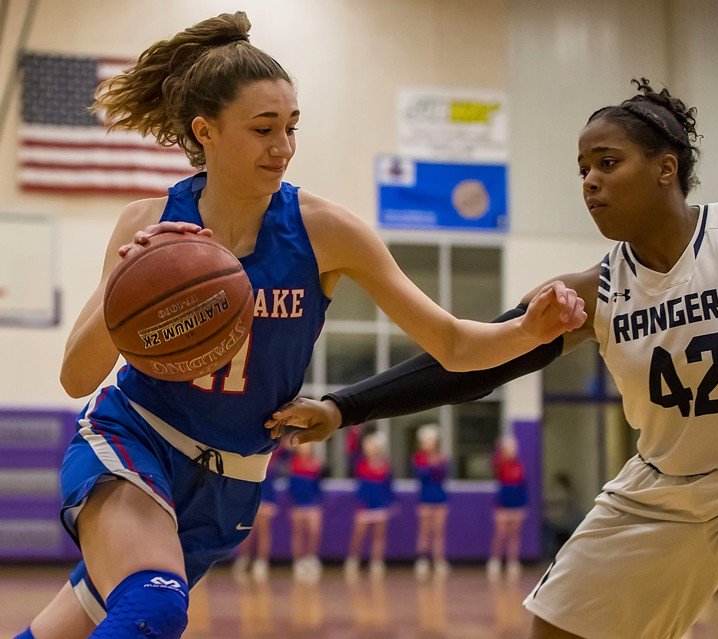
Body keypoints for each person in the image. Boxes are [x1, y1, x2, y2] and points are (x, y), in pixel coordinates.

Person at [15, 11, 586, 639]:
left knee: (77, 626)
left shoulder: (324, 231)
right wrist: (129, 281)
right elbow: (76, 376)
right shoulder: (147, 222)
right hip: (133, 440)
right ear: (205, 132)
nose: (283, 146)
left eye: (291, 128)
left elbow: (450, 343)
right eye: (263, 129)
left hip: (230, 483)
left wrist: (531, 331)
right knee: (153, 606)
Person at [268, 77, 718, 639]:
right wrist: (342, 406)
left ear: (665, 168)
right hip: (663, 490)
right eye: (582, 170)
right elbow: (471, 364)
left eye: (608, 162)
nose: (590, 182)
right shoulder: (592, 292)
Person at [344, 431, 395, 580]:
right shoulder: (359, 463)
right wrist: (354, 433)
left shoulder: (385, 466)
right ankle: (353, 560)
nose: (371, 448)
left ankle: (377, 562)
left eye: (373, 445)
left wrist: (389, 504)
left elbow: (389, 487)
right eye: (368, 445)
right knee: (358, 535)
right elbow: (350, 452)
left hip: (380, 505)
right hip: (364, 506)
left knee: (379, 536)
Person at [487, 434, 527, 581]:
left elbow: (523, 486)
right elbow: (494, 463)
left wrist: (523, 506)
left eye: (514, 447)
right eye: (509, 447)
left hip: (517, 503)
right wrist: (501, 446)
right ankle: (495, 561)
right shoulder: (500, 463)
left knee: (514, 535)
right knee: (501, 533)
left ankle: (512, 562)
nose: (512, 450)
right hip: (502, 504)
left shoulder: (519, 465)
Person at [412, 424, 450, 580]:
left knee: (438, 531)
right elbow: (421, 475)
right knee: (424, 530)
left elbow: (444, 473)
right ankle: (422, 560)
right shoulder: (419, 459)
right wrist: (430, 465)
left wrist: (437, 464)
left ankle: (439, 560)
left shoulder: (442, 458)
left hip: (440, 497)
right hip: (425, 498)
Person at [287, 442, 325, 582]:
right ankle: (298, 561)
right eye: (303, 445)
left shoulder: (316, 464)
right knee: (298, 532)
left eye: (307, 446)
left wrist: (317, 503)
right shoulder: (293, 463)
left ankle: (311, 557)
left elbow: (319, 486)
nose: (305, 448)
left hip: (313, 504)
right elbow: (292, 487)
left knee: (314, 530)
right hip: (297, 504)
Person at [231, 472, 278, 583]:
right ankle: (243, 559)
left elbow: (271, 484)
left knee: (263, 531)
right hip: (249, 501)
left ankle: (261, 561)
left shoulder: (271, 464)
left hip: (265, 501)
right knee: (246, 530)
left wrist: (271, 502)